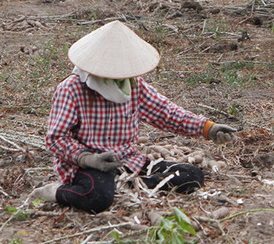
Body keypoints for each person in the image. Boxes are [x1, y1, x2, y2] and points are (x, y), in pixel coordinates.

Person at [30, 20, 238, 213]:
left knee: (192, 176)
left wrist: (207, 128)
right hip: (87, 165)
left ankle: (128, 185)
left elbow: (166, 113)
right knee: (97, 198)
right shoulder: (72, 89)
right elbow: (56, 139)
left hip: (127, 161)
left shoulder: (133, 86)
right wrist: (89, 159)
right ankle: (54, 192)